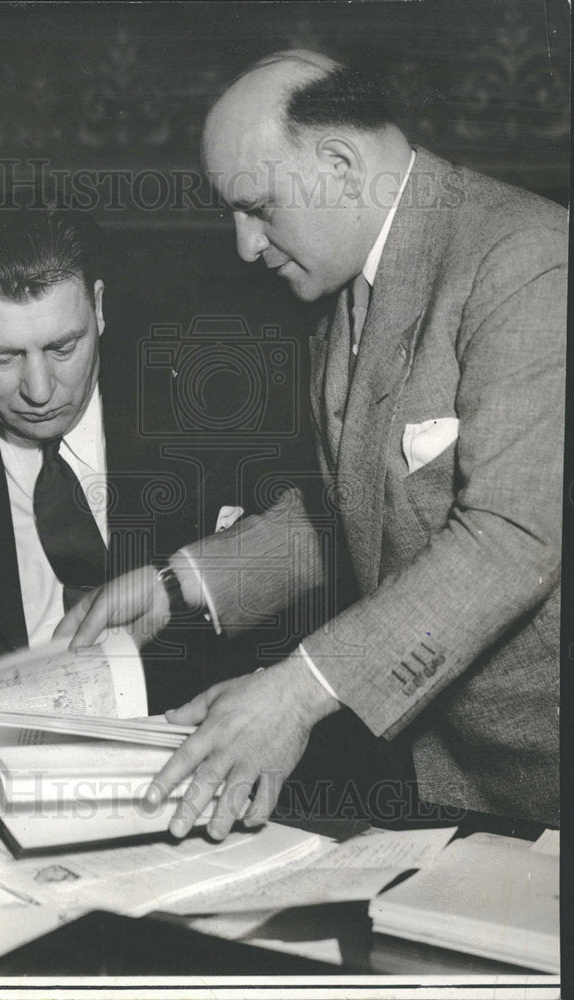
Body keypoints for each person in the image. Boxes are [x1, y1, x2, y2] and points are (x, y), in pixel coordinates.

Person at [57, 49, 565, 839]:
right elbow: (347, 517)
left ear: (337, 163)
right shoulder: (347, 297)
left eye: (257, 208)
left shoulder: (528, 260)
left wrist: (293, 693)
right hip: (454, 780)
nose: (244, 247)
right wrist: (173, 585)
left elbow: (509, 539)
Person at [0, 199, 220, 749]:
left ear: (99, 309)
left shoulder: (203, 424)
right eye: (2, 356)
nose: (38, 390)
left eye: (63, 347)